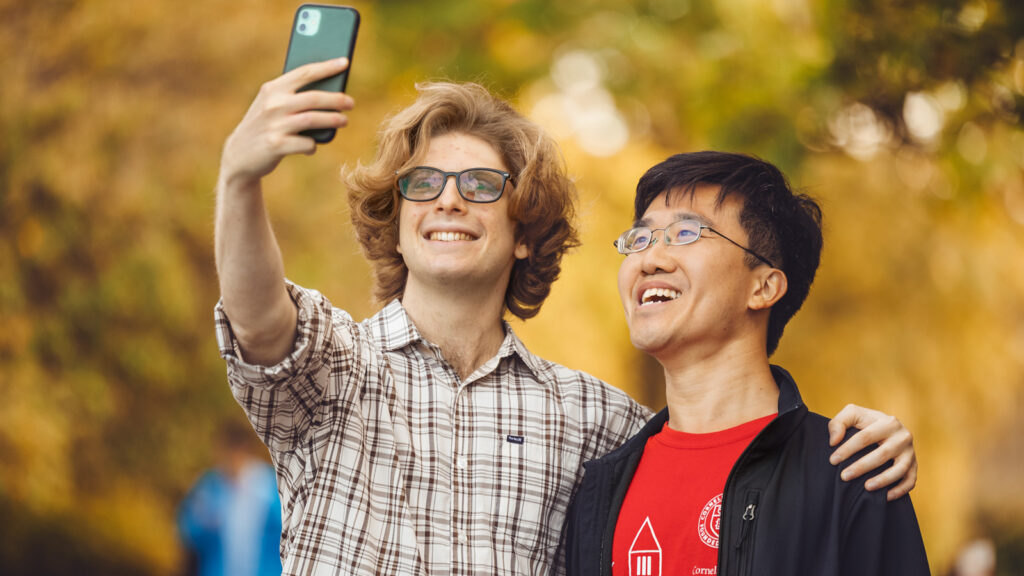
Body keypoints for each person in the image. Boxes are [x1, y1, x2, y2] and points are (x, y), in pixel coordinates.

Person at [213, 59, 918, 575]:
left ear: (523, 231)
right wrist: (240, 180)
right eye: (422, 185)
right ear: (394, 224)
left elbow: (722, 431)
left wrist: (861, 441)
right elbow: (261, 320)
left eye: (481, 185)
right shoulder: (333, 371)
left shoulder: (594, 426)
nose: (448, 201)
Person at [564, 151, 930, 575]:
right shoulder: (601, 487)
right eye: (640, 239)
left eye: (686, 232)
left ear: (764, 286)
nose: (650, 259)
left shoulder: (851, 475)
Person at [178, 421, 283, 576]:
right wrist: (203, 521)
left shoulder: (269, 484)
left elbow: (287, 529)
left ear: (246, 450)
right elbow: (187, 530)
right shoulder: (209, 486)